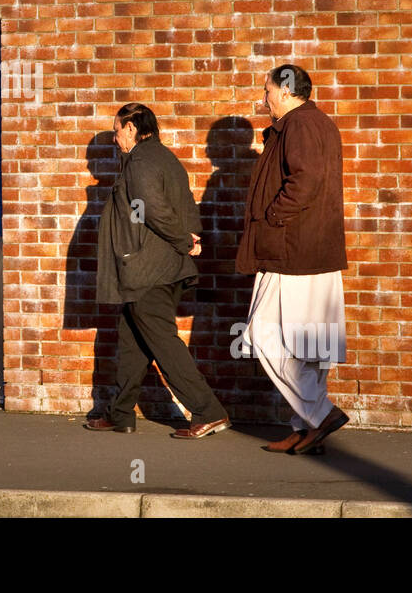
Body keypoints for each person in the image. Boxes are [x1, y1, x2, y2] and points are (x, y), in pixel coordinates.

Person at [88, 103, 230, 439]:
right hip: (157, 267)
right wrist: (189, 238)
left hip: (148, 270)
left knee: (163, 342)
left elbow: (152, 209)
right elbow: (183, 204)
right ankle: (120, 413)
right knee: (132, 341)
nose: (114, 136)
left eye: (117, 129)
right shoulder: (163, 157)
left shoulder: (140, 161)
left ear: (132, 128)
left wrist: (183, 240)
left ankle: (209, 411)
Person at [237, 64, 349, 455]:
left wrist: (272, 217)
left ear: (284, 92)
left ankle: (319, 414)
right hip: (315, 252)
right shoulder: (320, 123)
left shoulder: (298, 126)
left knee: (263, 335)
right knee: (311, 346)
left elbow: (306, 180)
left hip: (291, 251)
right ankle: (305, 427)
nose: (263, 98)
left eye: (267, 91)